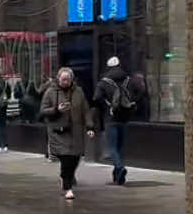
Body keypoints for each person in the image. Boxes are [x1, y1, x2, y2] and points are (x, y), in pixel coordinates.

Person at [39, 67, 93, 199]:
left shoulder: (78, 92)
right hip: (59, 132)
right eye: (63, 79)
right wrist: (56, 109)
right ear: (58, 78)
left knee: (75, 159)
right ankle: (68, 188)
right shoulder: (50, 92)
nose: (65, 82)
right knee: (66, 159)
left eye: (68, 79)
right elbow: (43, 111)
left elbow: (85, 110)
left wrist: (90, 127)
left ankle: (66, 178)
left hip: (76, 132)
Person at [96, 55, 136, 185]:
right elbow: (138, 93)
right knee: (119, 147)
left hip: (110, 118)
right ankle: (117, 175)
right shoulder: (128, 80)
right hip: (124, 119)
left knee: (112, 148)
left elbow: (96, 98)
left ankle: (119, 168)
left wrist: (107, 105)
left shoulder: (104, 82)